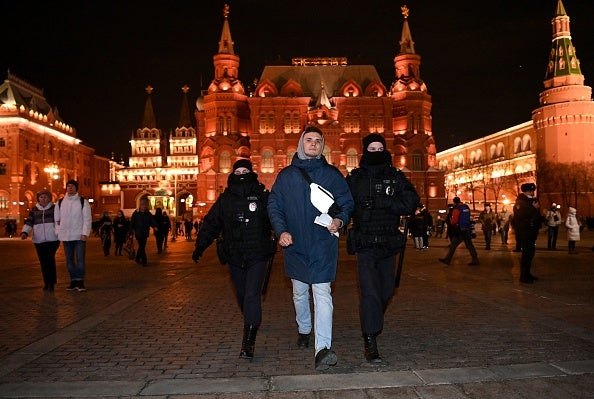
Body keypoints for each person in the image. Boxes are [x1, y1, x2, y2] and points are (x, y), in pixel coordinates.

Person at [267, 126, 354, 371]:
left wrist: (340, 220)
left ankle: (322, 348)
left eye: (317, 140)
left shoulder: (332, 175)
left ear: (322, 145)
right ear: (301, 144)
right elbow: (274, 205)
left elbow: (347, 202)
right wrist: (281, 230)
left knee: (323, 293)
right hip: (294, 243)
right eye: (309, 140)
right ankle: (304, 328)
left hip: (323, 244)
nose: (313, 144)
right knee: (299, 292)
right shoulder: (287, 176)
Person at [346, 133, 419, 363]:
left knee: (386, 291)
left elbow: (411, 202)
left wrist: (383, 202)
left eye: (380, 148)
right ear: (365, 151)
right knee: (369, 292)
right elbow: (343, 204)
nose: (376, 152)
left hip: (388, 243)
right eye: (372, 148)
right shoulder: (355, 178)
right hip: (365, 244)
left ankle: (373, 319)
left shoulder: (395, 177)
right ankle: (370, 339)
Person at [192, 159, 275, 360]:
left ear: (252, 172)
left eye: (245, 170)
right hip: (234, 254)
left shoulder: (263, 196)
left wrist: (284, 234)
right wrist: (200, 245)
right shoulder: (225, 199)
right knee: (241, 294)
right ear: (232, 174)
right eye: (238, 171)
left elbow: (277, 218)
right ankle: (251, 317)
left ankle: (248, 342)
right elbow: (212, 223)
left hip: (257, 253)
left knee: (251, 294)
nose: (242, 174)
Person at [55, 179, 93, 292]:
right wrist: (58, 232)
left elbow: (87, 219)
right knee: (69, 260)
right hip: (66, 236)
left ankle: (80, 281)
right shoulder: (60, 202)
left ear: (76, 188)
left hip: (79, 236)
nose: (70, 188)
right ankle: (73, 280)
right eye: (68, 186)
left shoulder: (82, 202)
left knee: (80, 260)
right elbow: (56, 219)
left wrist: (85, 233)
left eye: (72, 186)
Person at [20, 189, 60, 292]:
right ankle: (46, 282)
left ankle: (52, 283)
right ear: (38, 198)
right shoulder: (34, 210)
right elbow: (29, 222)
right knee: (43, 262)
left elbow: (59, 222)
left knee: (50, 259)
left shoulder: (54, 208)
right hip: (39, 240)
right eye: (41, 197)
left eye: (45, 197)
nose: (43, 199)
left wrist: (59, 232)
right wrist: (25, 232)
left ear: (49, 198)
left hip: (53, 239)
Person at [513, 183, 542, 283]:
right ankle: (523, 276)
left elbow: (536, 215)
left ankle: (528, 273)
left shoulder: (533, 200)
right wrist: (533, 208)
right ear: (525, 191)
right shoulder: (520, 202)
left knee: (531, 253)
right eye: (530, 191)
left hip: (532, 231)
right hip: (525, 231)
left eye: (533, 190)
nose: (532, 192)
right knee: (526, 254)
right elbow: (520, 215)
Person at [438, 197, 479, 266]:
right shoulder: (466, 207)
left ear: (454, 202)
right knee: (469, 245)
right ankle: (475, 259)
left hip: (460, 229)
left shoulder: (457, 209)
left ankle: (447, 259)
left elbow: (454, 220)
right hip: (467, 228)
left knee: (453, 245)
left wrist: (451, 222)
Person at [129, 200, 157, 265]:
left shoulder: (148, 213)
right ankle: (144, 261)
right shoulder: (136, 213)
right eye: (142, 205)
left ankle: (137, 258)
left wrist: (154, 226)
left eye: (145, 205)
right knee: (142, 246)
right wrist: (131, 232)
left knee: (142, 246)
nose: (144, 206)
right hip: (138, 232)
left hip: (145, 232)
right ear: (140, 206)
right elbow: (132, 223)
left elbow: (152, 221)